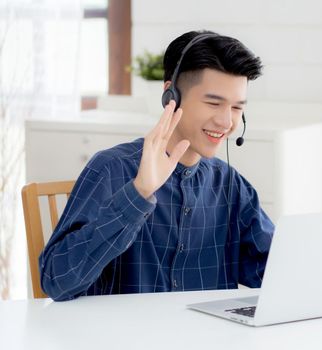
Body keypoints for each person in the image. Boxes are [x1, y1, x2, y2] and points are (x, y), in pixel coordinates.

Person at [39, 30, 274, 301]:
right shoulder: (112, 169)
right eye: (213, 103)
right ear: (170, 96)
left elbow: (274, 271)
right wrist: (138, 193)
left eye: (236, 108)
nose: (226, 122)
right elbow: (56, 280)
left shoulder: (230, 185)